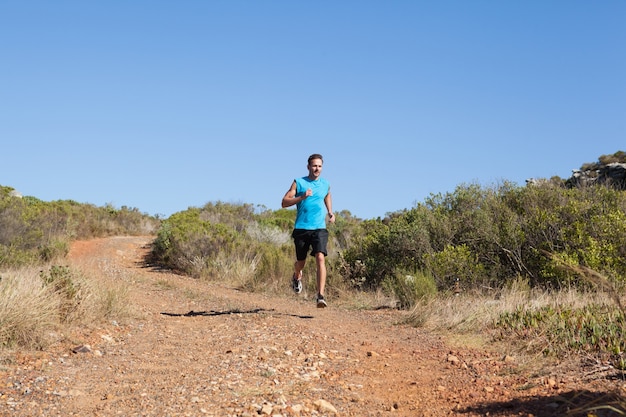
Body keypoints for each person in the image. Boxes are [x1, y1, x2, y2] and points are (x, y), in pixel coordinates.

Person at [281, 153, 335, 308]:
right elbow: (284, 202)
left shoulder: (325, 184)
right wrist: (301, 197)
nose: (317, 169)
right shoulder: (299, 183)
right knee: (301, 263)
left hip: (319, 228)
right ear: (308, 167)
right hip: (302, 228)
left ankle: (320, 296)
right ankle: (297, 275)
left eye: (319, 166)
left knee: (320, 257)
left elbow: (327, 196)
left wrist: (330, 211)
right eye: (314, 166)